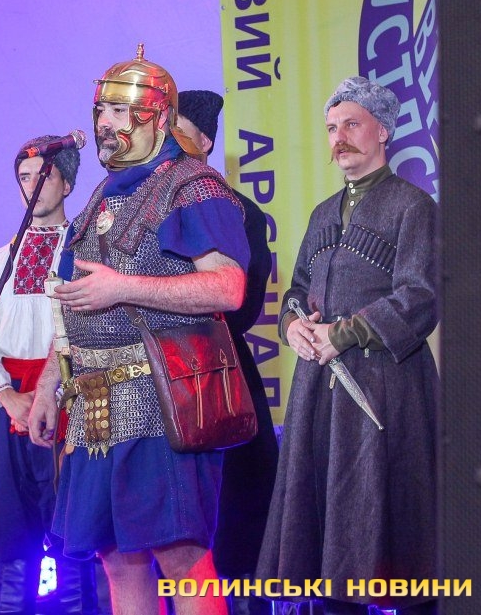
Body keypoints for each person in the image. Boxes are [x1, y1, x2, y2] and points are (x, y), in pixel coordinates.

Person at [28, 45, 249, 615]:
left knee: (181, 558)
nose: (105, 123)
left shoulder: (194, 185)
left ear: (157, 115)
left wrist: (123, 286)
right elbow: (71, 303)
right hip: (94, 404)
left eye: (119, 112)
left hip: (161, 396)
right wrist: (49, 385)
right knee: (117, 559)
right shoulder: (100, 196)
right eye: (101, 110)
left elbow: (228, 287)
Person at [256, 76, 439, 615]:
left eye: (351, 125)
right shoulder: (321, 214)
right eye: (332, 128)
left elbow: (421, 295)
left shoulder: (413, 206)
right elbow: (296, 291)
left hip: (387, 393)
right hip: (320, 394)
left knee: (400, 552)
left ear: (382, 131)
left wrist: (343, 334)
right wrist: (293, 326)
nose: (339, 138)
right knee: (325, 557)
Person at [0, 135, 98, 615]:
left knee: (72, 536)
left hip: (73, 398)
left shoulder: (85, 253)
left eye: (44, 176)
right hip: (8, 405)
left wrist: (50, 391)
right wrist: (7, 397)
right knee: (12, 539)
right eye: (24, 177)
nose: (32, 185)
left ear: (66, 183)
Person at [177, 90, 279, 615]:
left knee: (238, 519)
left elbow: (243, 304)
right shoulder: (141, 209)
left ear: (205, 143)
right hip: (151, 378)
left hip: (221, 371)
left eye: (178, 134)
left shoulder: (241, 212)